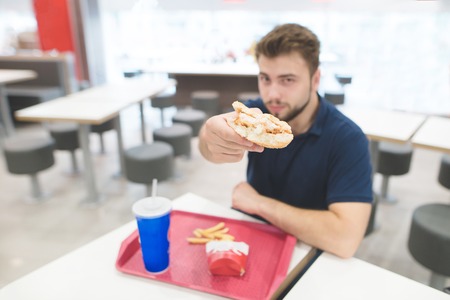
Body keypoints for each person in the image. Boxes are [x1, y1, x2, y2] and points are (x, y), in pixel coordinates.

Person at [198, 23, 373, 258]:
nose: (273, 95)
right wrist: (211, 138)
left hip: (308, 252)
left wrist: (259, 204)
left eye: (287, 80)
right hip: (252, 240)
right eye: (265, 79)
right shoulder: (257, 116)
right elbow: (207, 145)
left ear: (315, 79)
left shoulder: (348, 139)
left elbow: (345, 240)